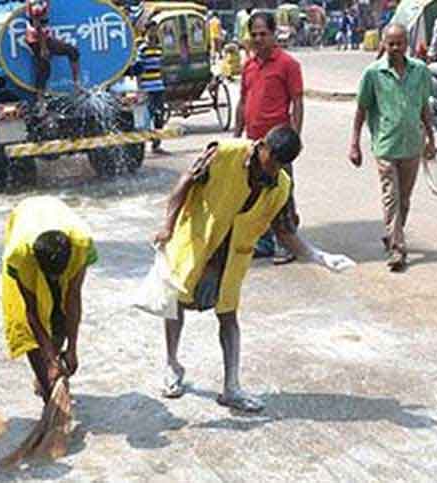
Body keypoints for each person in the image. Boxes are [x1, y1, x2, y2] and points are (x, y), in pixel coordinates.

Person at [155, 127, 354, 412]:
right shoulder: (223, 153)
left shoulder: (281, 186)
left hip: (231, 258)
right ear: (262, 147)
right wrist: (167, 226)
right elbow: (184, 183)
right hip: (196, 243)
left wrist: (319, 257)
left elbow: (285, 233)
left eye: (280, 166)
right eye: (271, 162)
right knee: (174, 302)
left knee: (228, 316)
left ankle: (231, 388)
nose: (272, 172)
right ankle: (172, 365)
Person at [349, 23, 435, 272]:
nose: (395, 48)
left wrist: (430, 136)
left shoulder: (420, 71)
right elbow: (361, 109)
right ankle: (398, 249)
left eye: (399, 43)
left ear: (406, 44)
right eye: (390, 43)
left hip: (411, 145)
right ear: (383, 44)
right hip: (385, 145)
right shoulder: (373, 73)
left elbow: (423, 107)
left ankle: (393, 234)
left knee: (404, 199)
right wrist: (354, 143)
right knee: (391, 197)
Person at [2, 196, 96, 403]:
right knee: (22, 323)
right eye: (50, 275)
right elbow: (31, 311)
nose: (54, 279)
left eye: (57, 275)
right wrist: (50, 358)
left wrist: (72, 348)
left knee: (59, 315)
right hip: (25, 217)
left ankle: (50, 371)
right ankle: (46, 385)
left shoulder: (82, 243)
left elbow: (73, 298)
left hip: (55, 219)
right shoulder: (19, 254)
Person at [234, 11, 304, 264]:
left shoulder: (287, 64)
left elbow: (297, 101)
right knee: (256, 191)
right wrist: (236, 134)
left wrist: (295, 137)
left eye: (263, 34)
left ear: (274, 35)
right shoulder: (249, 66)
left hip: (278, 143)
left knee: (282, 192)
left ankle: (287, 244)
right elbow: (243, 101)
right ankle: (263, 242)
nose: (258, 38)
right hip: (254, 142)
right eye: (254, 34)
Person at [25, 0, 81, 113]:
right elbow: (38, 27)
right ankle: (40, 101)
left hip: (44, 38)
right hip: (37, 40)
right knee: (44, 69)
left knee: (71, 52)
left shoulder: (43, 3)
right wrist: (43, 48)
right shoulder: (35, 4)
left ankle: (76, 84)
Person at [135, 20, 168, 154]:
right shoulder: (142, 48)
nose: (154, 33)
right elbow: (138, 68)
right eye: (152, 30)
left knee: (159, 115)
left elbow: (161, 67)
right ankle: (142, 144)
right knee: (147, 116)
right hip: (147, 86)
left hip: (158, 85)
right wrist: (139, 87)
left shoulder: (159, 48)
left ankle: (156, 144)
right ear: (147, 31)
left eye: (156, 30)